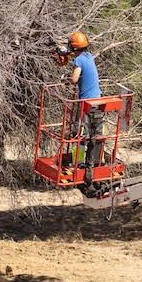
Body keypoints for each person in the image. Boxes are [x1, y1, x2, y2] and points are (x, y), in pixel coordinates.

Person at [65, 31, 103, 187]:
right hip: (99, 100)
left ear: (74, 48)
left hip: (86, 102)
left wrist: (66, 78)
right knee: (97, 132)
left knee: (78, 132)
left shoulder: (79, 60)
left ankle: (79, 163)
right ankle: (95, 161)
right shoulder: (89, 57)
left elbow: (74, 79)